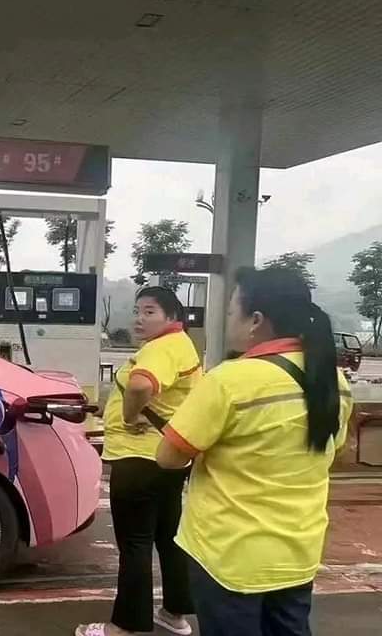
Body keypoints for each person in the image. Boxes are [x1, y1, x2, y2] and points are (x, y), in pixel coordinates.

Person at [157, 267, 353, 636]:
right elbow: (331, 449)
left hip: (230, 556)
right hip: (298, 551)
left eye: (232, 311)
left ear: (256, 321)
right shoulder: (333, 381)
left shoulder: (230, 380)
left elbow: (169, 457)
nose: (229, 320)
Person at [77, 287, 201, 636]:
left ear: (172, 317)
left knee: (135, 542)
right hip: (169, 457)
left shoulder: (161, 349)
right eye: (137, 311)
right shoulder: (181, 345)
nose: (139, 319)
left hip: (138, 459)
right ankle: (174, 613)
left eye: (150, 312)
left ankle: (124, 626)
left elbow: (140, 386)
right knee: (168, 536)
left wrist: (129, 416)